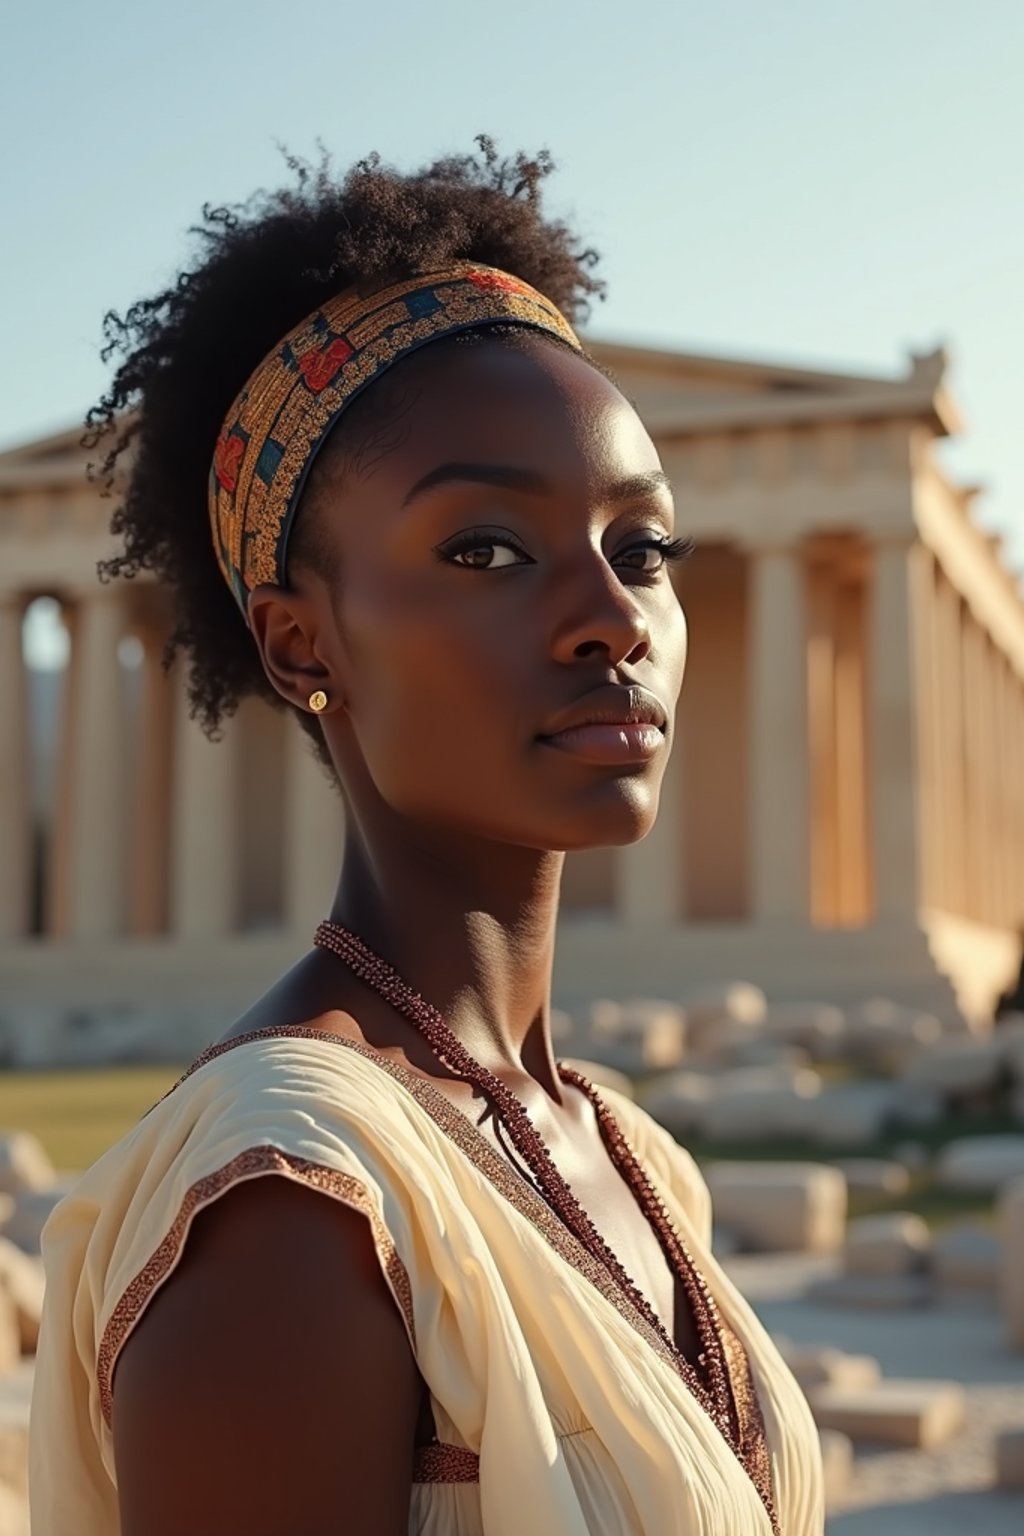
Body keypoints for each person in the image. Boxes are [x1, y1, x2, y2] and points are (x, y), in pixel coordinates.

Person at [29, 140, 823, 1535]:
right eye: (486, 550)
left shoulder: (623, 1146)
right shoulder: (292, 1206)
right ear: (297, 642)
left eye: (642, 549)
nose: (613, 618)